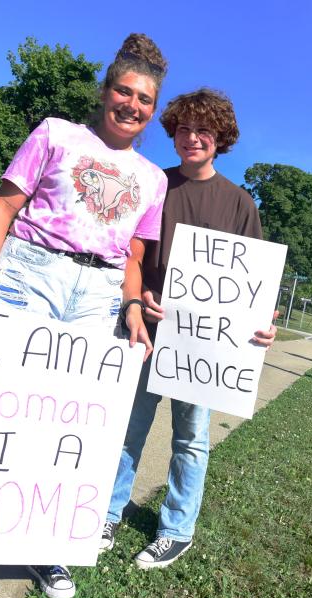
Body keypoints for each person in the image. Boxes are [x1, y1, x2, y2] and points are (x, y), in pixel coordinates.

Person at [0, 33, 168, 598]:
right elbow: (2, 208)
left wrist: (133, 304)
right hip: (31, 269)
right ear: (105, 90)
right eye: (124, 90)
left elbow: (134, 257)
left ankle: (43, 539)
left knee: (67, 423)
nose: (132, 105)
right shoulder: (56, 134)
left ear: (152, 109)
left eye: (145, 99)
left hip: (98, 293)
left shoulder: (152, 178)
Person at [100, 88, 276, 569]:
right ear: (173, 133)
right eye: (183, 128)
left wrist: (262, 327)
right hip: (145, 331)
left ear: (220, 139)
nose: (192, 138)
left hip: (202, 350)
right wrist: (138, 297)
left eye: (204, 131)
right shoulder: (154, 183)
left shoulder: (240, 204)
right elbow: (129, 252)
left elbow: (252, 288)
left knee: (191, 438)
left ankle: (177, 529)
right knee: (126, 428)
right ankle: (108, 513)